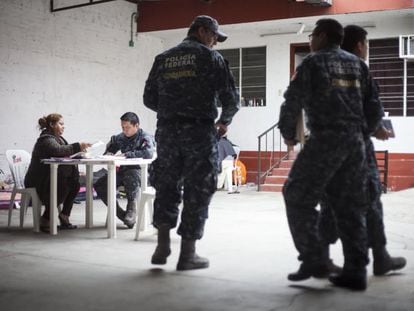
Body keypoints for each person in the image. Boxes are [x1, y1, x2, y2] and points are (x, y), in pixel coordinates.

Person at [278, 19, 383, 290]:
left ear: (323, 36)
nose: (310, 41)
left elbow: (293, 101)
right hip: (356, 144)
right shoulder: (359, 65)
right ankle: (356, 271)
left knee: (296, 195)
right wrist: (361, 133)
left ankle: (315, 258)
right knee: (351, 207)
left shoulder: (313, 63)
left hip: (325, 140)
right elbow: (375, 110)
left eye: (312, 35)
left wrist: (288, 133)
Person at [143, 15, 240, 270]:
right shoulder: (211, 58)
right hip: (199, 133)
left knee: (166, 185)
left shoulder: (163, 58)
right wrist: (224, 121)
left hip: (167, 132)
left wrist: (171, 110)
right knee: (199, 189)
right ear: (202, 31)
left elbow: (149, 98)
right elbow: (231, 98)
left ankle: (162, 245)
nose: (215, 44)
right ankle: (187, 254)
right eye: (214, 37)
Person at [318, 24, 406, 277]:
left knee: (330, 203)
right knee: (369, 201)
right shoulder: (360, 69)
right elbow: (373, 112)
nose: (366, 49)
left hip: (325, 151)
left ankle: (322, 258)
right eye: (366, 44)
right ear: (359, 45)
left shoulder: (320, 68)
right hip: (356, 151)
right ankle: (380, 257)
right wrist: (378, 129)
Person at [24, 113, 91, 232]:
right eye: (60, 124)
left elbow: (66, 152)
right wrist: (78, 146)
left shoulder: (59, 139)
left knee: (74, 184)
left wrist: (78, 153)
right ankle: (46, 218)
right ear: (51, 124)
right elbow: (58, 150)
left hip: (51, 176)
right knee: (63, 185)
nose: (63, 126)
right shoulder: (45, 139)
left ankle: (64, 215)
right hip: (38, 179)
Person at [94, 112, 155, 229]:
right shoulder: (120, 137)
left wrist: (127, 154)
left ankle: (131, 208)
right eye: (123, 127)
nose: (125, 130)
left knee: (130, 174)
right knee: (100, 184)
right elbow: (109, 151)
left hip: (141, 173)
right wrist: (108, 153)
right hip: (122, 173)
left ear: (136, 125)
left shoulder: (145, 137)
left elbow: (148, 153)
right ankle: (120, 213)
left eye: (128, 127)